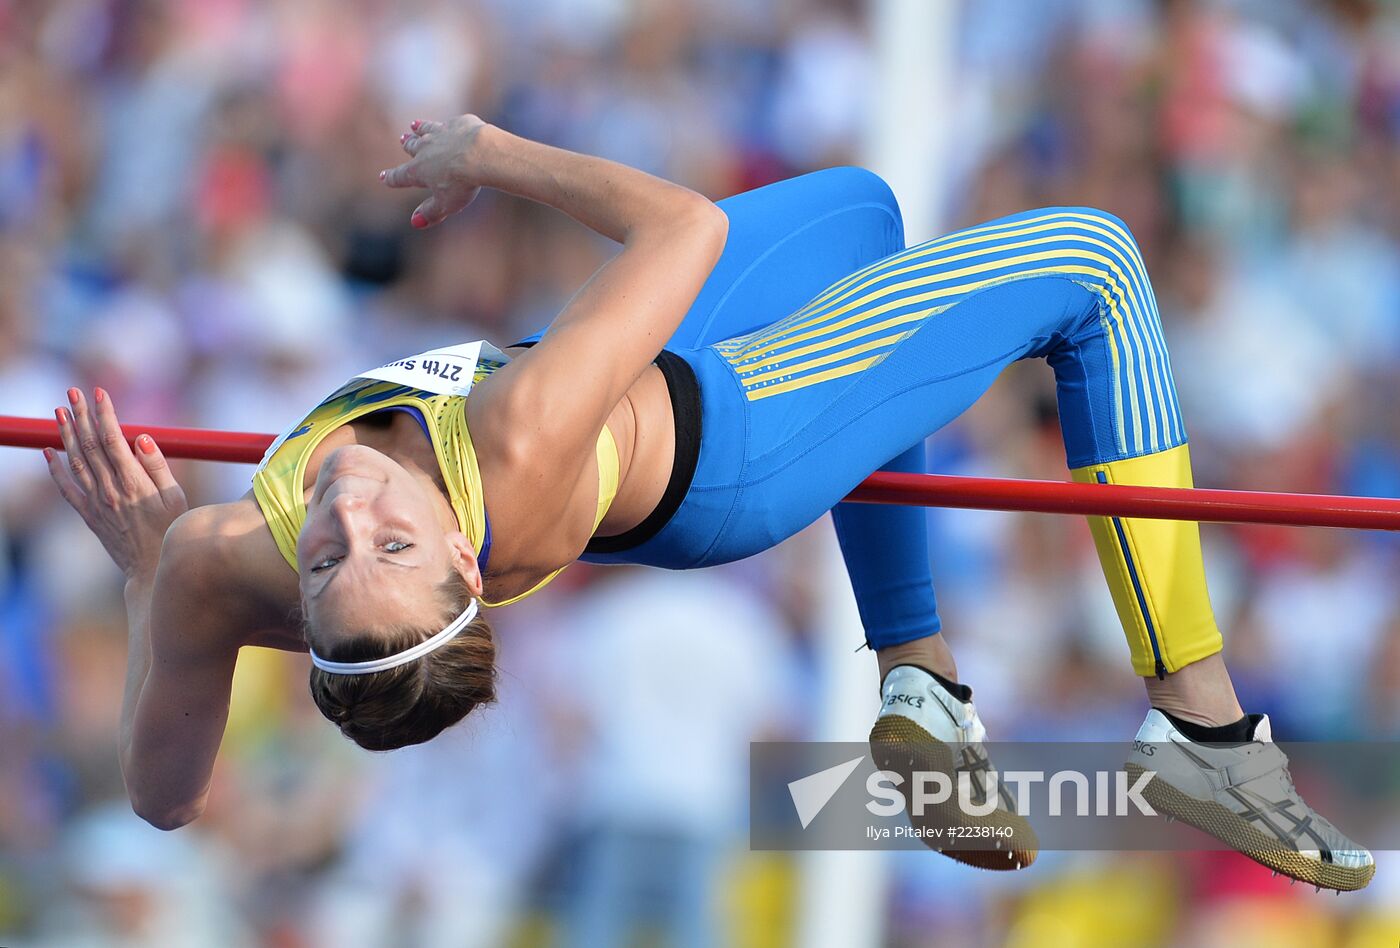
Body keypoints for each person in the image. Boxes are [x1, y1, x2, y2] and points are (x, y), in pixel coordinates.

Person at [46, 114, 1373, 891]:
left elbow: (164, 796)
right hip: (736, 441)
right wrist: (489, 152)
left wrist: (149, 581)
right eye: (384, 546)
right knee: (1093, 260)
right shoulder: (510, 438)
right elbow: (683, 231)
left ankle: (920, 686)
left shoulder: (221, 560)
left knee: (863, 216)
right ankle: (1202, 730)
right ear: (457, 545)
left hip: (644, 392)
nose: (339, 514)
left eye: (335, 561)